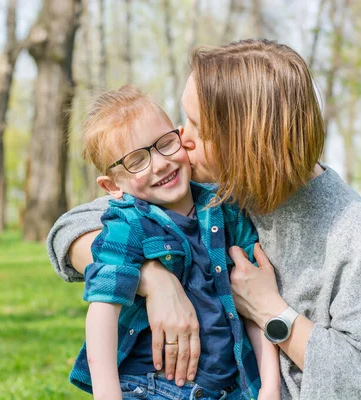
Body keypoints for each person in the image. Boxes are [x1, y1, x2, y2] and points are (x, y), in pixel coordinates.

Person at [48, 39, 361, 399]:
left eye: (196, 127)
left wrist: (271, 311)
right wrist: (153, 280)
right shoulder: (207, 187)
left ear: (245, 142)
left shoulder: (344, 224)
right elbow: (70, 229)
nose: (180, 139)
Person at [68, 85, 280, 400]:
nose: (160, 163)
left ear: (180, 136)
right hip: (152, 387)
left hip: (229, 389)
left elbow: (254, 309)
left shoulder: (225, 210)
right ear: (112, 185)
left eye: (165, 143)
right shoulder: (128, 225)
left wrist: (270, 388)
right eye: (137, 160)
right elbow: (103, 311)